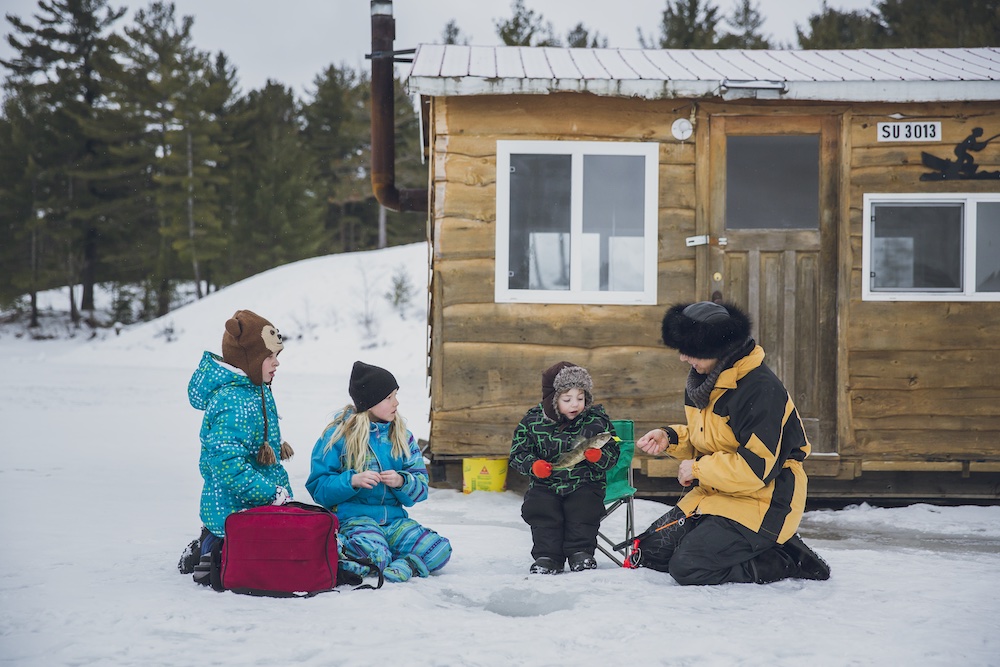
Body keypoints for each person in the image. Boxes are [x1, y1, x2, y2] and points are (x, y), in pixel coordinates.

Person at [632, 301, 830, 585]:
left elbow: (754, 469)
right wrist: (670, 438)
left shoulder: (760, 390)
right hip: (720, 493)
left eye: (691, 351)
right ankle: (750, 543)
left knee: (688, 568)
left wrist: (697, 469)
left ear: (717, 349)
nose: (683, 358)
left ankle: (787, 557)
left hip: (764, 499)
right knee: (650, 553)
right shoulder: (704, 381)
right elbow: (713, 441)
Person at [306, 361, 452, 583]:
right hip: (355, 520)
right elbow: (319, 487)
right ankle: (358, 552)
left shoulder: (402, 436)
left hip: (394, 521)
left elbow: (421, 487)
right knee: (375, 553)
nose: (396, 402)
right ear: (370, 402)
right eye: (389, 397)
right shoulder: (339, 436)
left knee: (439, 549)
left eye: (395, 395)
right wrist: (352, 480)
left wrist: (402, 481)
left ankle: (406, 564)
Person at [178, 309, 295, 585]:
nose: (276, 363)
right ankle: (208, 548)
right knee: (246, 554)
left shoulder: (255, 388)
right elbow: (227, 463)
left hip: (258, 504)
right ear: (248, 359)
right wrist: (271, 492)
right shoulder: (233, 401)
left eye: (277, 356)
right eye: (269, 356)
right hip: (233, 510)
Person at [509, 361, 620, 574]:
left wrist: (599, 457)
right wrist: (534, 466)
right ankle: (547, 556)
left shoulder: (598, 421)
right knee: (541, 507)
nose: (575, 404)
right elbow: (518, 453)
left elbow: (614, 451)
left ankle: (581, 552)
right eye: (567, 399)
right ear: (552, 399)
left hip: (585, 482)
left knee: (584, 506)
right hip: (546, 483)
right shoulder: (532, 421)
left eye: (581, 398)